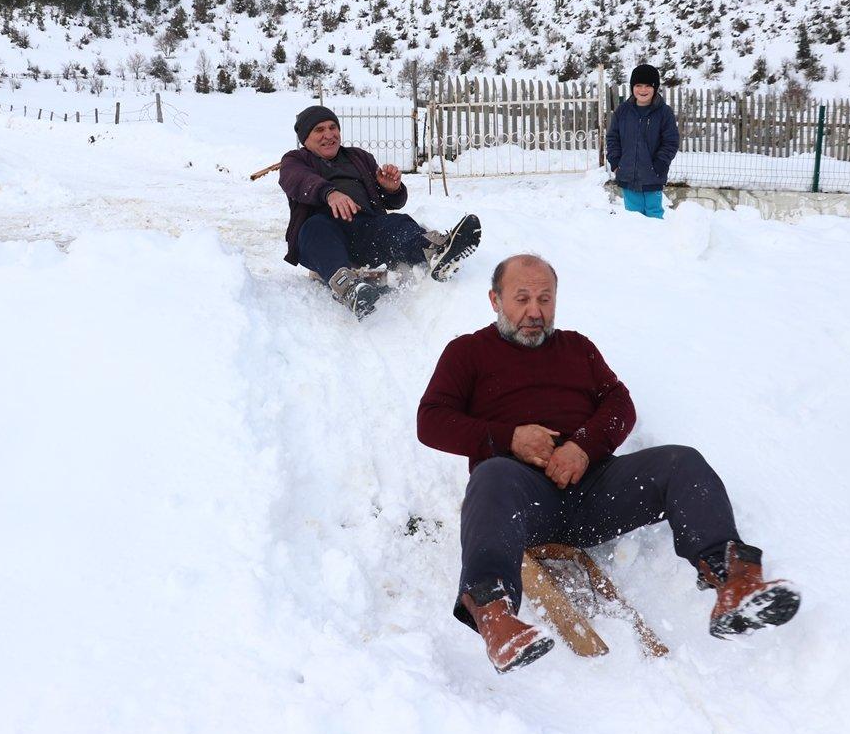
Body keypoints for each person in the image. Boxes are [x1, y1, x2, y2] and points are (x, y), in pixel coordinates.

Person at [416, 254, 800, 673]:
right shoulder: (467, 353)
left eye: (545, 299)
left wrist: (582, 446)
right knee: (492, 474)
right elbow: (431, 421)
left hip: (596, 491)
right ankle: (495, 616)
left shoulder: (578, 348)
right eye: (522, 298)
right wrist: (509, 438)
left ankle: (734, 581)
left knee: (681, 463)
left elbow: (620, 404)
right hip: (523, 500)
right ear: (495, 299)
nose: (534, 311)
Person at [279, 106, 481, 319]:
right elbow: (297, 179)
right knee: (315, 228)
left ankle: (434, 252)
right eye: (319, 130)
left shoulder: (358, 157)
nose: (329, 135)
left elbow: (391, 202)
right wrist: (330, 193)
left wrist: (390, 188)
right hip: (324, 236)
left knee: (396, 222)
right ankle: (348, 287)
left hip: (366, 231)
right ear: (305, 139)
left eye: (332, 127)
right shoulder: (295, 160)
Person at [605, 64, 679, 220]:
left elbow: (670, 142)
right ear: (632, 87)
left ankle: (656, 244)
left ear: (655, 88)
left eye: (648, 86)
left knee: (654, 214)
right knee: (633, 218)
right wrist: (616, 163)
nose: (643, 90)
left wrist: (660, 164)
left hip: (653, 175)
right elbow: (613, 138)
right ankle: (635, 245)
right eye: (638, 85)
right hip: (627, 174)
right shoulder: (622, 111)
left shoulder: (664, 113)